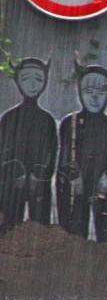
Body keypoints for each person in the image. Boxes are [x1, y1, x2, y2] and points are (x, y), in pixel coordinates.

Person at [56, 53, 107, 243]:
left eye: (102, 91)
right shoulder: (69, 123)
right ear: (80, 92)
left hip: (106, 192)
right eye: (89, 91)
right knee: (73, 234)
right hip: (77, 189)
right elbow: (64, 160)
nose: (95, 98)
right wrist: (75, 178)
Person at [0, 57, 57, 233]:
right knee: (9, 225)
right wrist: (14, 171)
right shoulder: (9, 118)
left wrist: (38, 174)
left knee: (39, 225)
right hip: (11, 182)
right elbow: (2, 149)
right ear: (18, 81)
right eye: (26, 79)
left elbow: (51, 151)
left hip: (38, 183)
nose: (32, 85)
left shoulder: (47, 120)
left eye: (38, 79)